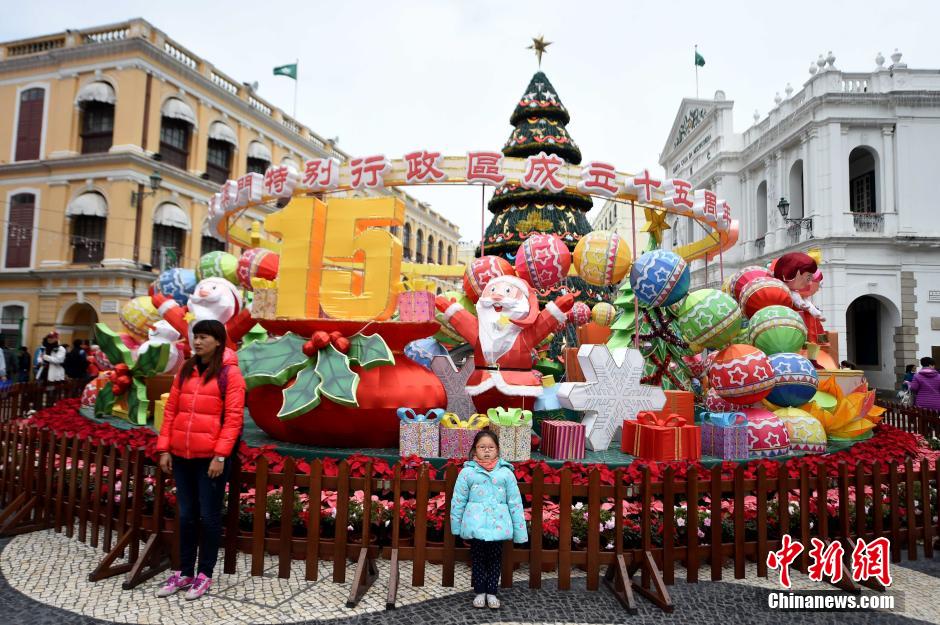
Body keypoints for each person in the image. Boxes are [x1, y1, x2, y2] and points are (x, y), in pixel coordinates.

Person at [154, 319, 245, 600]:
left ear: (218, 341)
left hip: (211, 460)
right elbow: (171, 411)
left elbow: (233, 419)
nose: (198, 341)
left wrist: (220, 455)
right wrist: (164, 449)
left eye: (204, 336)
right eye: (196, 336)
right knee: (186, 515)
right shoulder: (185, 369)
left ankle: (205, 573)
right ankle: (184, 572)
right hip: (182, 455)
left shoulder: (230, 375)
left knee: (208, 516)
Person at [449, 430, 527, 609]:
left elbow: (515, 503)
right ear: (474, 450)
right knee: (477, 558)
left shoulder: (506, 473)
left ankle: (492, 591)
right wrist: (456, 526)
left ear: (498, 450)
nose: (486, 451)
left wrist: (520, 533)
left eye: (490, 447)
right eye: (481, 447)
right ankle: (480, 591)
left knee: (494, 558)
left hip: (498, 526)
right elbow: (458, 501)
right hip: (475, 525)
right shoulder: (467, 473)